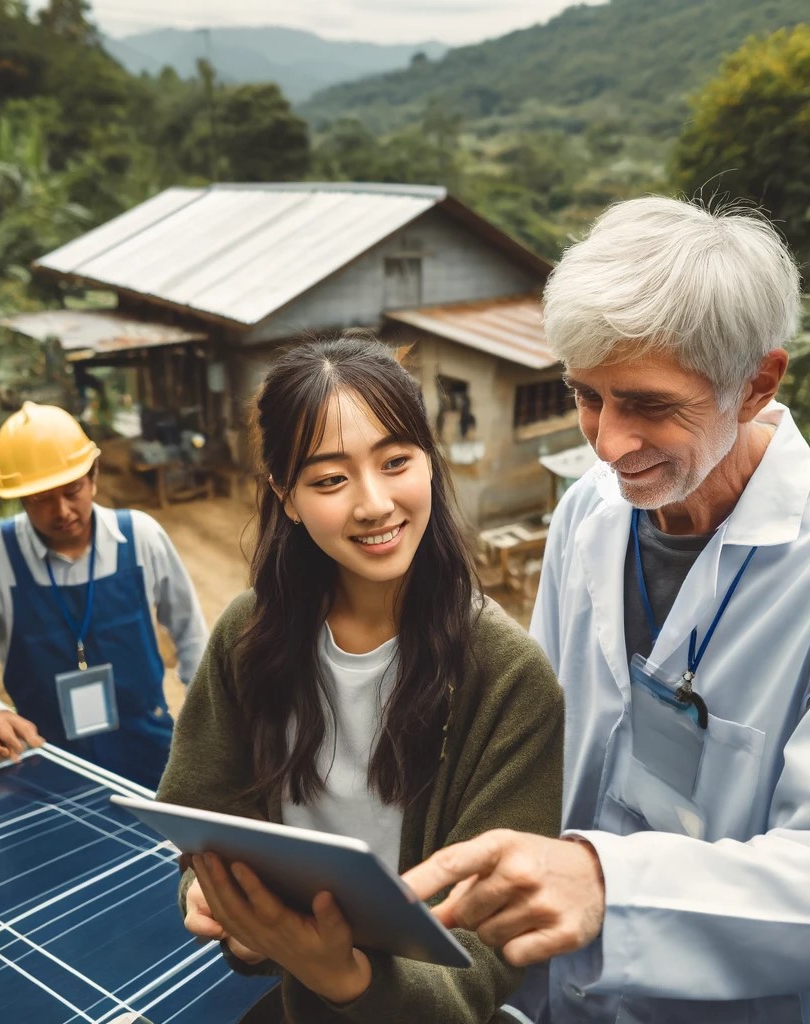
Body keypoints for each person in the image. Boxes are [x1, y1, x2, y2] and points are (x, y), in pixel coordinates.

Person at [404, 197, 810, 1023]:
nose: (608, 442)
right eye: (587, 396)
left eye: (651, 406)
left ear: (757, 381)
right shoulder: (587, 514)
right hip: (554, 991)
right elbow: (540, 732)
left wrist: (604, 885)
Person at [156, 335, 564, 1022]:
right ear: (286, 498)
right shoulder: (246, 636)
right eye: (329, 479)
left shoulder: (509, 680)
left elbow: (489, 949)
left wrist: (345, 976)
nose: (374, 504)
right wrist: (214, 892)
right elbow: (205, 814)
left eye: (396, 462)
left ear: (429, 463)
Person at [0, 401, 208, 790]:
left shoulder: (141, 537)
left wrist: (207, 732)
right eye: (41, 499)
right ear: (19, 497)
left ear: (94, 475)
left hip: (151, 756)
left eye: (72, 490)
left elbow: (193, 641)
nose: (62, 511)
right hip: (46, 765)